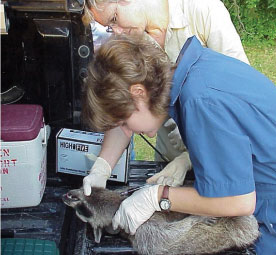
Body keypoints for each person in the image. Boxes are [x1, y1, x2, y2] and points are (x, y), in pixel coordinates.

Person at [82, 34, 276, 255]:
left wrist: (156, 197)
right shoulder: (186, 73)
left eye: (123, 122)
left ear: (139, 93)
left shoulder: (201, 101)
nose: (126, 131)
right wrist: (103, 166)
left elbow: (237, 201)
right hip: (265, 186)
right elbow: (125, 109)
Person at [82, 0, 250, 193]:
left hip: (218, 159)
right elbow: (124, 112)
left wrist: (189, 159)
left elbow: (239, 98)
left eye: (114, 18)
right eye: (110, 27)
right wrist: (102, 168)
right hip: (168, 162)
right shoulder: (128, 37)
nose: (117, 31)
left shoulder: (203, 11)